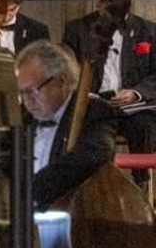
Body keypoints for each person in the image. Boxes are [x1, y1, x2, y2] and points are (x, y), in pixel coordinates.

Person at [61, 0, 156, 161]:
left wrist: (135, 93)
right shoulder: (78, 29)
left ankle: (141, 184)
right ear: (98, 1)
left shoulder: (149, 31)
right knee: (98, 140)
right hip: (97, 105)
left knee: (145, 128)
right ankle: (98, 183)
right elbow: (66, 71)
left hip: (134, 105)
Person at [16, 41, 119, 207]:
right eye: (22, 92)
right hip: (23, 219)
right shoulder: (22, 117)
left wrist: (30, 191)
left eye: (33, 90)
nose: (28, 100)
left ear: (61, 81)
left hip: (74, 220)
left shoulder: (94, 111)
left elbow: (91, 156)